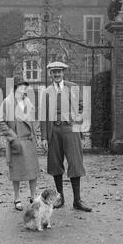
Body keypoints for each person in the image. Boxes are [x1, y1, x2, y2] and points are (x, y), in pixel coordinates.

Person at [40, 62, 92, 212]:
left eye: (59, 72)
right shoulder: (47, 91)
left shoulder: (72, 87)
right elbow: (43, 115)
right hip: (54, 130)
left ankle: (77, 201)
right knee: (55, 164)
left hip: (71, 129)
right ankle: (60, 198)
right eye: (54, 72)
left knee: (75, 162)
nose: (57, 75)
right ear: (50, 74)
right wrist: (44, 137)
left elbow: (82, 106)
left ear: (63, 73)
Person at [0, 76, 40, 211]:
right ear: (15, 87)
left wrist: (35, 134)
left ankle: (33, 197)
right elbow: (1, 122)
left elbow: (34, 120)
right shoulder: (7, 102)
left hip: (29, 141)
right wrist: (12, 138)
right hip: (16, 141)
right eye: (20, 86)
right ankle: (17, 198)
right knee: (16, 171)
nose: (22, 89)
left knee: (32, 170)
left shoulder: (28, 102)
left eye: (24, 86)